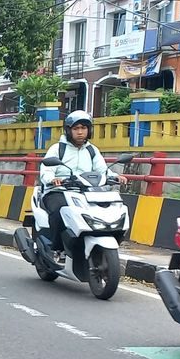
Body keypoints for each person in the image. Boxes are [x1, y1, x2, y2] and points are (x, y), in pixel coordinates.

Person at [37, 110, 127, 261]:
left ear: (89, 130)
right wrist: (53, 179)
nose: (80, 132)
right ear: (68, 130)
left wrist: (115, 177)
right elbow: (46, 170)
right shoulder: (58, 148)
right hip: (58, 190)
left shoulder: (92, 150)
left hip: (86, 192)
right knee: (60, 210)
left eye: (83, 128)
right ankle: (57, 249)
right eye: (76, 128)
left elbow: (102, 170)